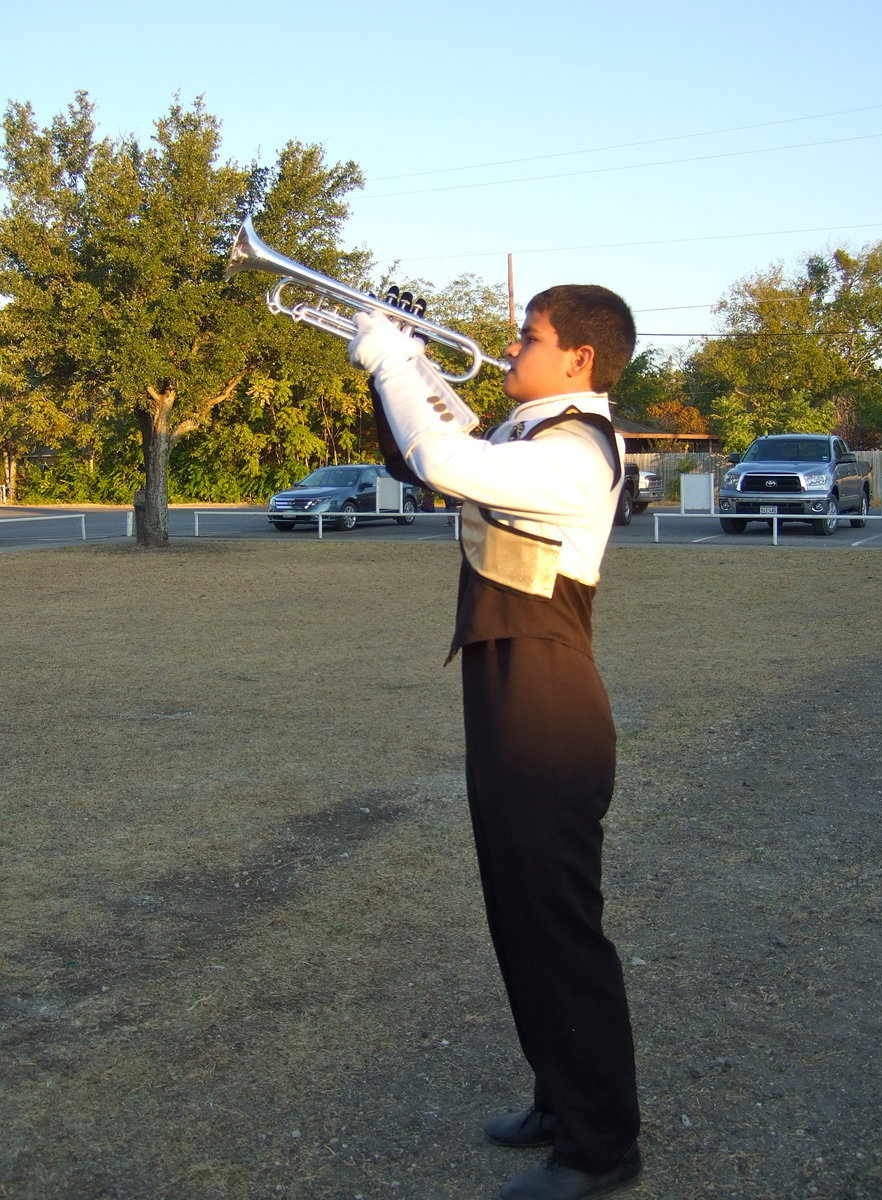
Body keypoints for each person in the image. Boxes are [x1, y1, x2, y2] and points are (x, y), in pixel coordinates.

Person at [348, 284, 641, 1200]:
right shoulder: (529, 432)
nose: (511, 347)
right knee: (518, 915)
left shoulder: (579, 456)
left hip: (548, 703)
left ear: (579, 359)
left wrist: (394, 356)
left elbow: (441, 456)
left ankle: (601, 1148)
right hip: (509, 687)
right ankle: (561, 1098)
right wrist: (400, 355)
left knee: (558, 928)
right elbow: (420, 445)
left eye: (530, 336)